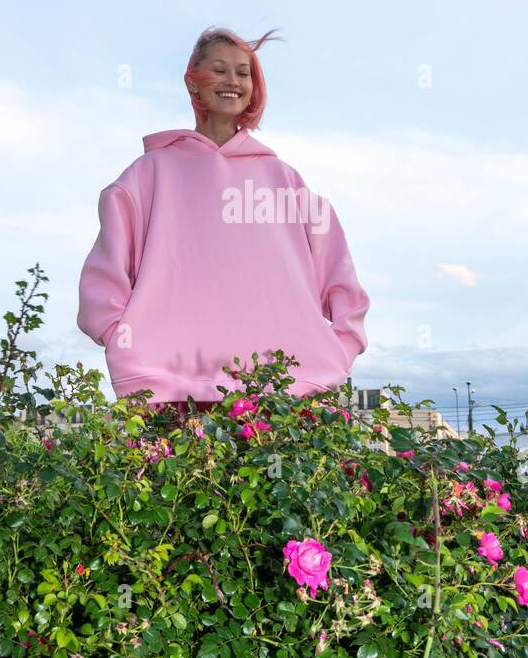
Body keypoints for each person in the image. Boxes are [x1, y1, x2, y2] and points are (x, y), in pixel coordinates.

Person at [76, 27, 369, 409]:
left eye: (243, 72)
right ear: (193, 84)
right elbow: (104, 278)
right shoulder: (149, 174)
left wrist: (339, 347)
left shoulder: (284, 180)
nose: (233, 81)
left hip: (285, 397)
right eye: (219, 70)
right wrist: (127, 343)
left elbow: (339, 273)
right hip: (170, 394)